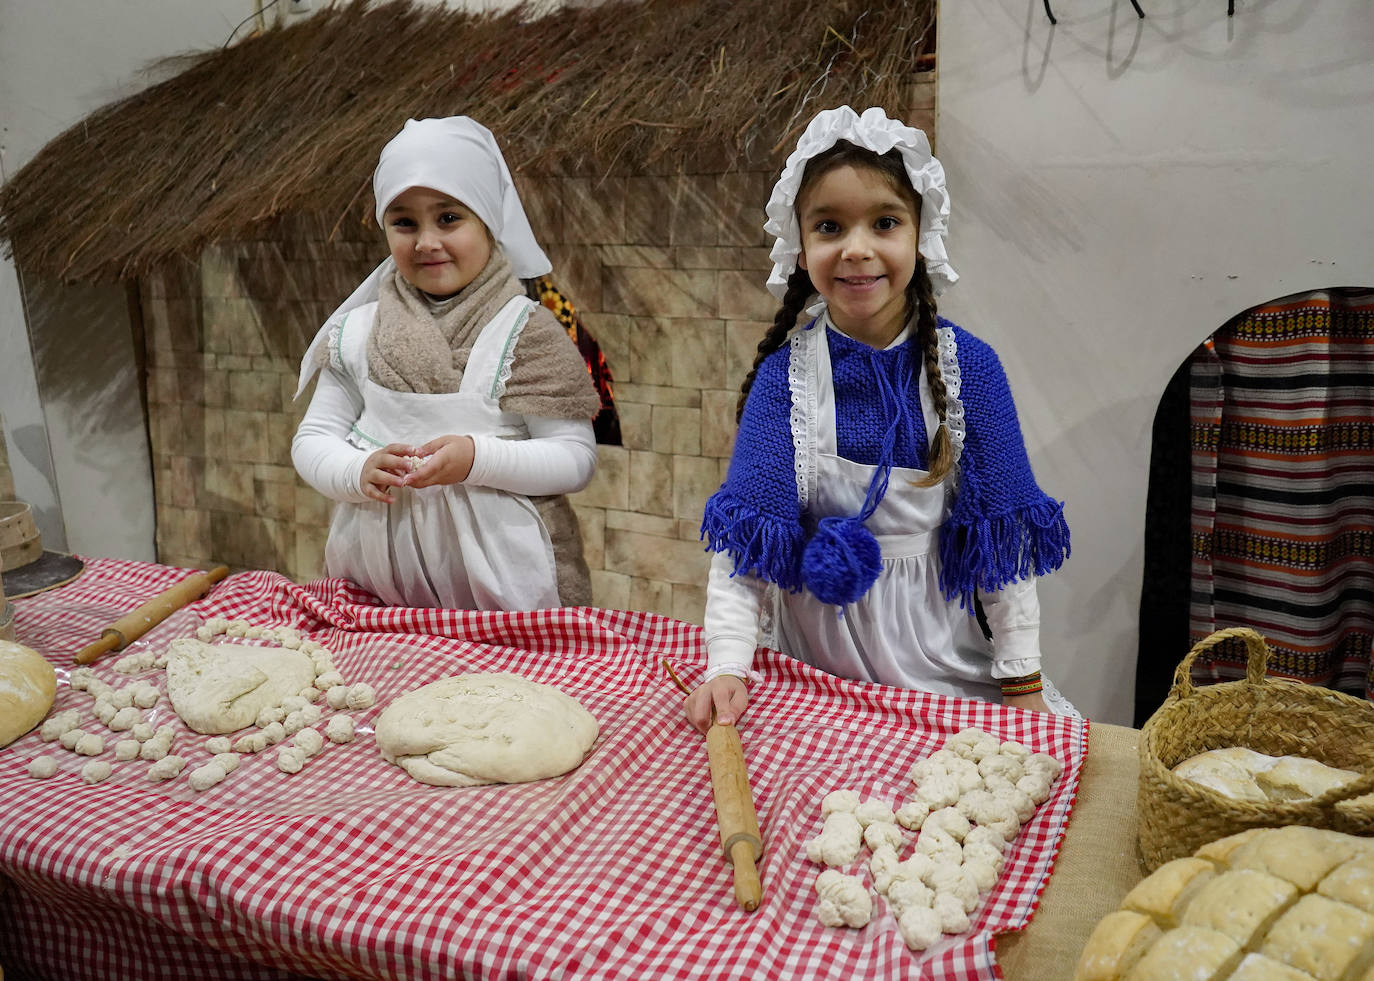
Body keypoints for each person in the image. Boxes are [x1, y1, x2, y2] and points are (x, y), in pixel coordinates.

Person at [685, 106, 1075, 733]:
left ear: (921, 237)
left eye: (885, 222)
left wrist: (1022, 679)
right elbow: (747, 550)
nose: (857, 249)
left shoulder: (969, 369)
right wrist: (728, 665)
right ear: (801, 243)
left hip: (940, 664)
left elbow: (999, 551)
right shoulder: (782, 380)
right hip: (811, 670)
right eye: (830, 226)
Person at [291, 116, 601, 611]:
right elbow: (313, 439)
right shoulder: (357, 333)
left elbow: (574, 459)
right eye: (404, 222)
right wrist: (356, 470)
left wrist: (478, 459)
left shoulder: (528, 333)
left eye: (449, 218)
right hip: (377, 584)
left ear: (488, 220)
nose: (426, 242)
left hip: (507, 589)